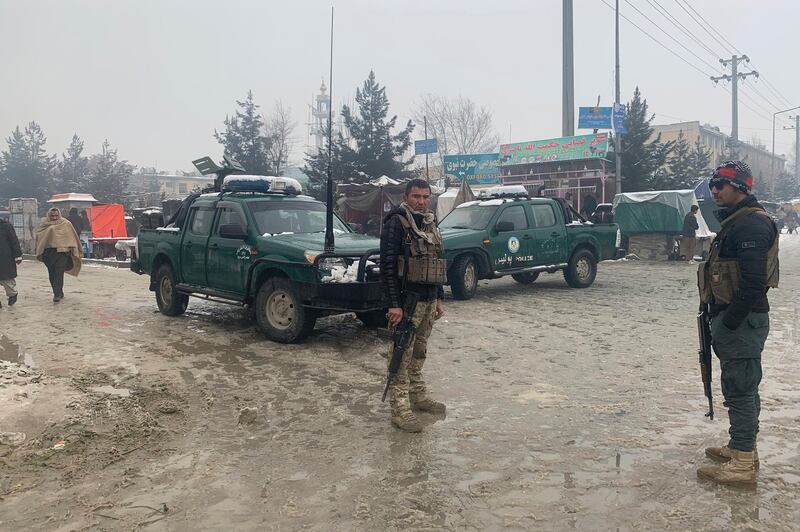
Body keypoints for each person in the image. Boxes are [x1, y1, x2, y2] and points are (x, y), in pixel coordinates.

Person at [696, 161, 779, 485]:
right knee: (741, 386)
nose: (715, 189)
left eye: (722, 184)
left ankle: (743, 463)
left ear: (742, 187)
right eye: (713, 183)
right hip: (737, 321)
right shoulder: (737, 221)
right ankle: (741, 448)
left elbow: (755, 282)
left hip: (741, 321)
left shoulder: (751, 226)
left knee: (740, 389)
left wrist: (728, 323)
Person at [379, 179, 446, 433]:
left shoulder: (429, 223)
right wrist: (394, 305)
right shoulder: (396, 223)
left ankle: (418, 397)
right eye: (416, 196)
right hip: (407, 301)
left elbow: (436, 261)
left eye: (425, 196)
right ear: (406, 196)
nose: (421, 201)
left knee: (419, 351)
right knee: (400, 353)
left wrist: (439, 297)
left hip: (428, 299)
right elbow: (387, 267)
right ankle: (400, 410)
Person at [35, 207, 83, 302]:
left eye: (56, 215)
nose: (54, 217)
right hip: (49, 252)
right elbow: (39, 236)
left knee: (59, 272)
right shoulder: (44, 225)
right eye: (52, 216)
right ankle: (58, 291)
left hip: (62, 252)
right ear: (49, 215)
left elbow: (72, 237)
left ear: (59, 214)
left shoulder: (66, 224)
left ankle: (57, 294)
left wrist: (74, 249)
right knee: (52, 273)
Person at [0, 216, 23, 308]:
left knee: (6, 280)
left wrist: (18, 255)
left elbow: (14, 241)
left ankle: (12, 294)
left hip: (4, 258)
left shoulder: (6, 226)